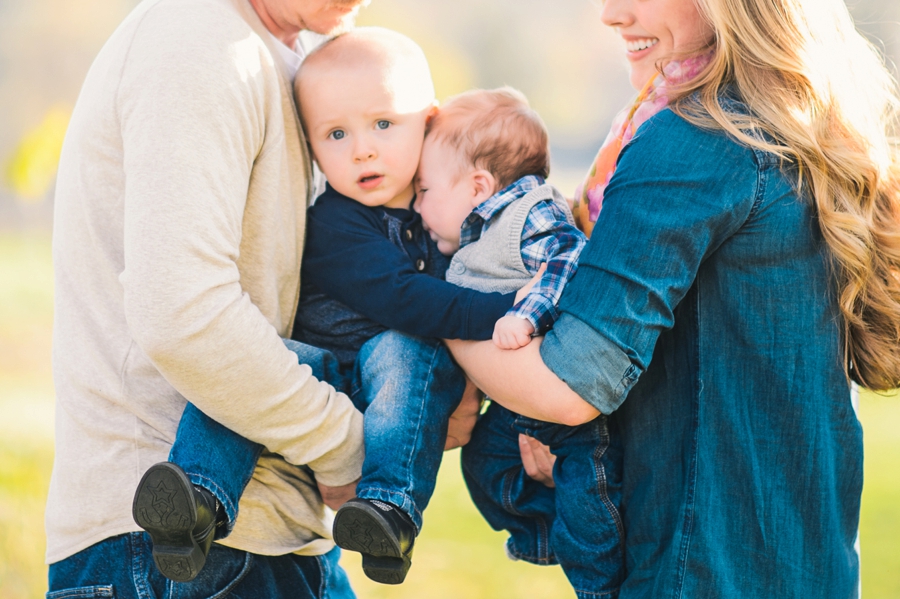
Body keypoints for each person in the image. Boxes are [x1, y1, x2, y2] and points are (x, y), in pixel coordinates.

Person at [446, 0, 900, 597]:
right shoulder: (792, 123)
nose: (610, 13)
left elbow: (569, 387)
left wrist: (439, 311)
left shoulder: (698, 139)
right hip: (800, 560)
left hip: (700, 566)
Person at [132, 28, 520, 586]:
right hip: (324, 381)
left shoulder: (448, 212)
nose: (362, 148)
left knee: (410, 355)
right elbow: (403, 300)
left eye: (383, 124)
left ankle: (387, 512)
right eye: (336, 134)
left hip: (397, 399)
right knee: (261, 364)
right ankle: (195, 500)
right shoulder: (335, 222)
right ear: (311, 146)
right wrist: (498, 312)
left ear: (429, 123)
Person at [46, 0, 376, 597]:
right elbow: (184, 315)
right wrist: (348, 448)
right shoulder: (198, 42)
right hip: (171, 546)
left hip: (270, 538)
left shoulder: (289, 54)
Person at [414, 88, 629, 597]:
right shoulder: (469, 241)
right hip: (517, 401)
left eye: (423, 191)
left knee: (588, 500)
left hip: (564, 382)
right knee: (485, 464)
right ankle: (543, 539)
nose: (417, 205)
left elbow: (568, 257)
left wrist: (528, 315)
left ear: (478, 185)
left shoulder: (527, 212)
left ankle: (605, 580)